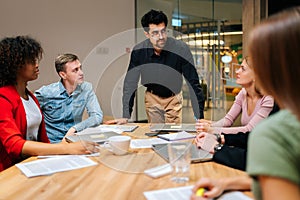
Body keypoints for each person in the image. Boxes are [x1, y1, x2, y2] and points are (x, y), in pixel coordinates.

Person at [191, 6, 300, 200]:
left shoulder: (275, 130)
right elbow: (285, 174)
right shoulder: (285, 117)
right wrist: (227, 182)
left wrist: (216, 144)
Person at [0, 36, 99, 172]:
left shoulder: (31, 98)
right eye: (31, 61)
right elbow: (14, 145)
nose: (36, 65)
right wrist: (66, 149)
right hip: (10, 170)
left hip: (33, 163)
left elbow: (43, 140)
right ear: (15, 65)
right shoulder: (3, 98)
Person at [121, 9, 205, 124]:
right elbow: (130, 83)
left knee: (173, 136)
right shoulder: (139, 51)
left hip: (173, 97)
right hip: (152, 97)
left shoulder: (181, 49)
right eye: (155, 33)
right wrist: (126, 115)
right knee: (155, 135)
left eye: (163, 31)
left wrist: (199, 117)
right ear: (147, 34)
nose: (161, 37)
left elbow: (193, 83)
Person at [35, 53, 103, 143]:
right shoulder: (45, 93)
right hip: (52, 145)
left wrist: (74, 128)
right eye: (75, 70)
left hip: (74, 141)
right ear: (63, 75)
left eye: (80, 68)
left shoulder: (86, 89)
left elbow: (97, 116)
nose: (81, 73)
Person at [196, 57, 274, 134]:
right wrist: (209, 125)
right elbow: (228, 120)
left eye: (243, 69)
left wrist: (212, 130)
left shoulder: (268, 99)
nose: (237, 71)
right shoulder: (243, 93)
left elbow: (249, 130)